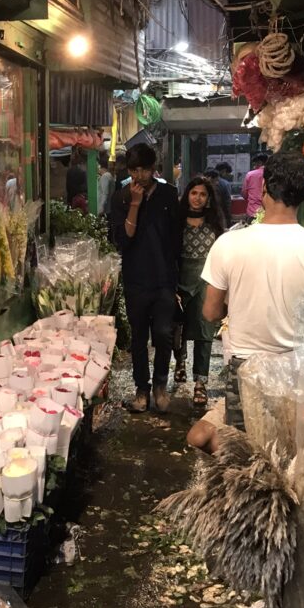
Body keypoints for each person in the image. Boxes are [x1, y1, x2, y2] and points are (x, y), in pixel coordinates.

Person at [202, 151, 304, 430]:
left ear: (264, 187)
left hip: (246, 370)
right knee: (291, 452)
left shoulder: (227, 245)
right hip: (299, 372)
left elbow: (210, 313)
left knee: (242, 455)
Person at [112, 142, 181, 414]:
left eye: (144, 169)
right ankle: (142, 389)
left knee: (163, 334)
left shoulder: (168, 195)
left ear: (154, 169)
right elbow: (123, 239)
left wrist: (177, 280)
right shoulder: (121, 198)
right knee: (138, 337)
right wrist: (135, 204)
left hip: (164, 279)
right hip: (136, 279)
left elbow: (177, 239)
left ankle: (160, 386)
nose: (139, 176)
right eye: (134, 170)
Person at [173, 176, 227, 412]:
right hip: (180, 279)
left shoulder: (215, 225)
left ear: (208, 199)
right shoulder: (176, 223)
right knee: (179, 328)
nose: (197, 198)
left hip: (207, 282)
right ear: (187, 196)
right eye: (193, 193)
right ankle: (180, 363)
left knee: (205, 331)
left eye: (202, 194)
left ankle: (200, 383)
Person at [242, 153, 268, 221]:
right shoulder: (272, 174)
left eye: (254, 164)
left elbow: (244, 194)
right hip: (269, 212)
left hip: (253, 212)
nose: (254, 166)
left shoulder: (250, 175)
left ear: (260, 162)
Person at [97, 151, 115, 215]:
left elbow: (105, 193)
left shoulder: (105, 176)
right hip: (108, 209)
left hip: (105, 210)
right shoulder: (108, 175)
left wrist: (100, 209)